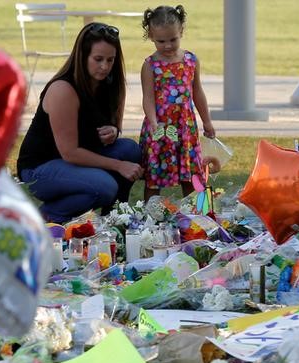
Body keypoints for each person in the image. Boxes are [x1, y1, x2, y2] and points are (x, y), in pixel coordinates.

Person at [17, 22, 143, 224]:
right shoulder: (63, 89)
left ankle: (116, 220)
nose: (105, 66)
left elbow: (113, 125)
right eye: (98, 59)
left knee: (130, 150)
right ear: (82, 56)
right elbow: (70, 152)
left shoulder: (109, 82)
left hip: (74, 160)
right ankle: (46, 216)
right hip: (40, 169)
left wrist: (113, 130)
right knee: (105, 186)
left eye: (110, 60)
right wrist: (119, 165)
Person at [139, 5, 215, 203]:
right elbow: (148, 98)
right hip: (159, 128)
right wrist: (154, 122)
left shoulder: (191, 60)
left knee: (191, 173)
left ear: (181, 31)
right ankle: (150, 217)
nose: (167, 45)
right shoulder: (150, 65)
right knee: (154, 178)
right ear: (151, 37)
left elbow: (197, 92)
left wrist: (207, 122)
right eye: (160, 41)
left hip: (185, 128)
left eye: (173, 39)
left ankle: (198, 215)